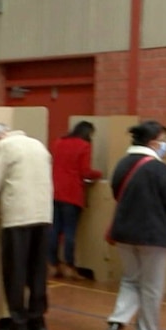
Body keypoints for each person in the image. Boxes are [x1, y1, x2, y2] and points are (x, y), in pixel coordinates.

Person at [104, 120, 166, 330]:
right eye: (163, 140)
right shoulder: (159, 168)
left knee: (131, 280)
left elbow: (115, 193)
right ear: (153, 142)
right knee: (151, 286)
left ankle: (118, 320)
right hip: (152, 234)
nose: (165, 145)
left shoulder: (122, 164)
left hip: (123, 232)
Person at [0, 122, 53, 330]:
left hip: (18, 217)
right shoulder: (38, 145)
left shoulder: (4, 147)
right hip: (43, 215)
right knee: (37, 271)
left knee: (16, 271)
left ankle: (17, 324)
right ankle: (38, 321)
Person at [48, 120, 103, 280]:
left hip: (54, 191)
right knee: (69, 231)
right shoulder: (84, 145)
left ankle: (52, 264)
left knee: (54, 229)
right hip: (72, 193)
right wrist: (98, 174)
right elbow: (85, 171)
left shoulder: (58, 142)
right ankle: (69, 266)